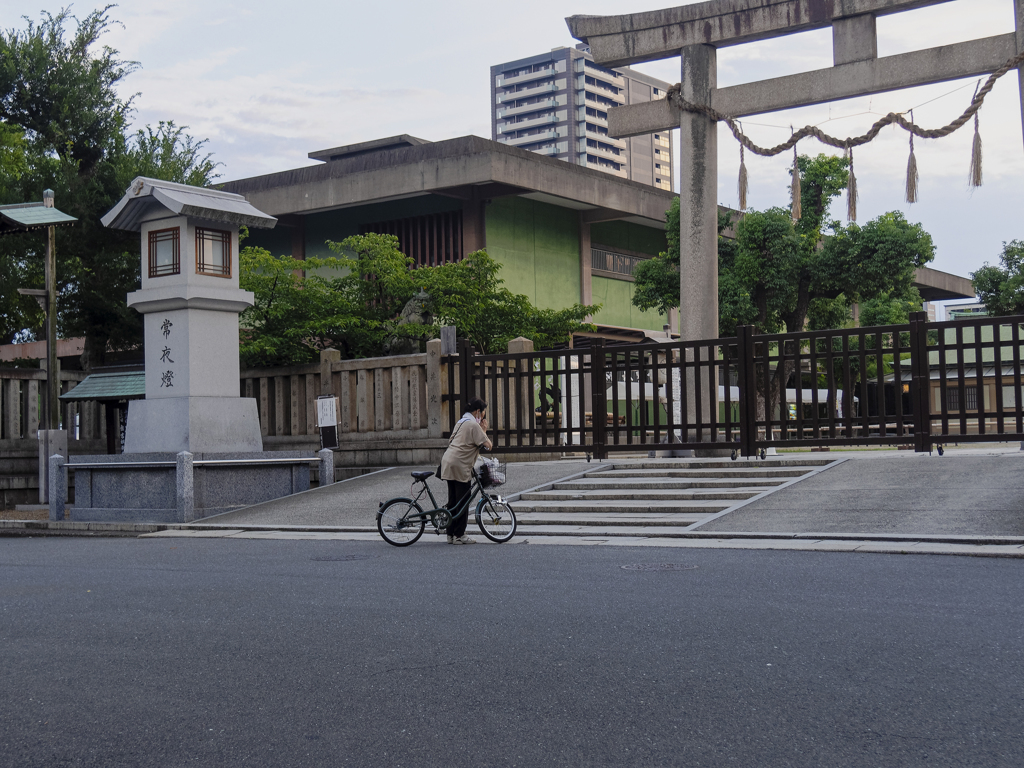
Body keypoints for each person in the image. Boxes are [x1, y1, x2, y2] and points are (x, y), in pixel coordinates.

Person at [439, 397, 492, 544]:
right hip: (460, 465)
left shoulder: (460, 422)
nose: (483, 417)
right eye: (483, 414)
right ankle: (459, 535)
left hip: (448, 462)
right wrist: (484, 429)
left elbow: (452, 441)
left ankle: (450, 535)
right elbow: (488, 445)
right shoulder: (473, 425)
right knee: (463, 501)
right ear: (477, 412)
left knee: (453, 500)